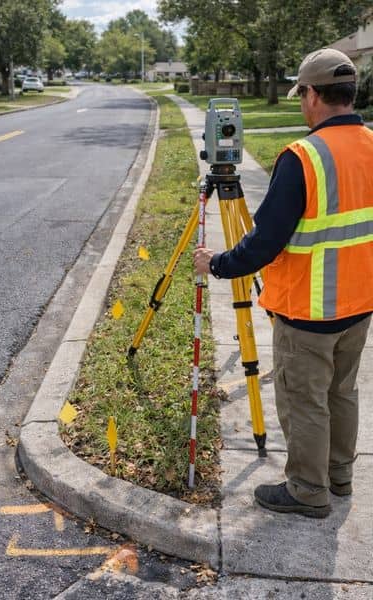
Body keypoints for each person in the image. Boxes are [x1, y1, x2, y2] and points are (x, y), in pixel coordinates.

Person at [194, 48, 373, 519]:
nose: (301, 104)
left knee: (305, 400)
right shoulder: (372, 145)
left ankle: (307, 490)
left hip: (308, 310)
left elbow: (264, 244)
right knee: (342, 393)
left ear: (313, 95)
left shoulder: (303, 157)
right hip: (360, 304)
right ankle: (339, 475)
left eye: (302, 95)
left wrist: (216, 264)